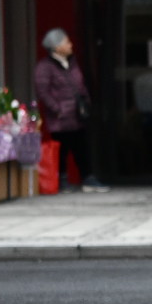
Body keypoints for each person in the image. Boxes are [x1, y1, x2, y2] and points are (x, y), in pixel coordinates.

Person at [35, 28, 108, 192]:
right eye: (66, 42)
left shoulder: (71, 62)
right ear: (56, 47)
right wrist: (57, 109)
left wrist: (86, 102)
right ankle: (61, 180)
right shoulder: (44, 67)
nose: (71, 45)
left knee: (82, 146)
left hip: (77, 115)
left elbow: (80, 86)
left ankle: (88, 178)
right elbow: (43, 92)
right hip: (60, 118)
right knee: (62, 149)